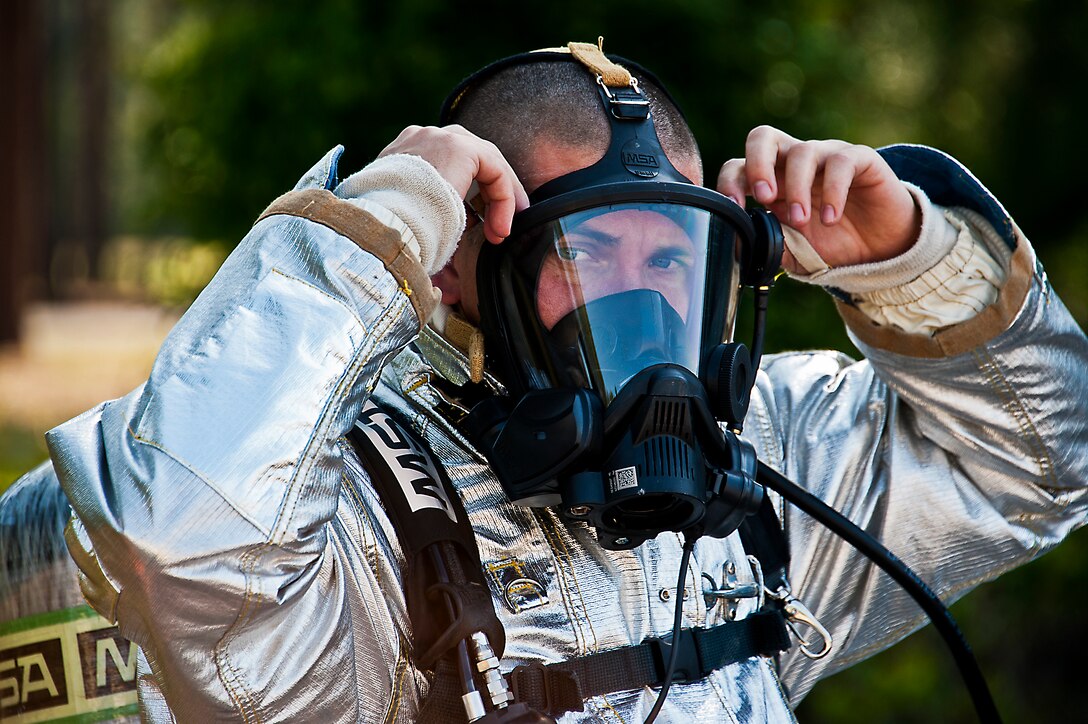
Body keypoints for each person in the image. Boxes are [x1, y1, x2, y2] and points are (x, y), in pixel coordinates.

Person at [14, 40, 1088, 722]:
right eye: (588, 257)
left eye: (669, 261)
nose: (641, 306)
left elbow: (1040, 466)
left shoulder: (754, 461)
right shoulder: (322, 504)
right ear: (457, 265)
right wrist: (374, 227)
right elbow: (178, 546)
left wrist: (912, 258)